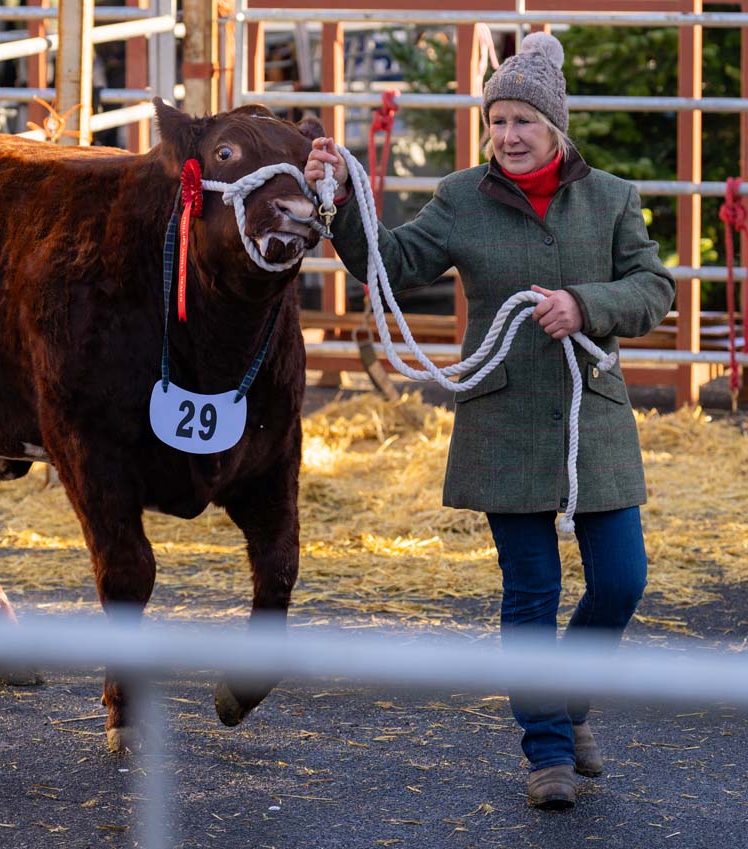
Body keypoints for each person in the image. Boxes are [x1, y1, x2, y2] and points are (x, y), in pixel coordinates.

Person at [305, 32, 675, 811]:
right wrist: (339, 199)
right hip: (502, 422)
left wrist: (588, 303)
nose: (506, 136)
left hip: (591, 418)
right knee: (531, 589)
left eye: (522, 123)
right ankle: (545, 753)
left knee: (621, 579)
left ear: (555, 128)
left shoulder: (611, 198)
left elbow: (653, 288)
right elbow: (390, 264)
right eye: (496, 121)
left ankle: (566, 698)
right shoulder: (460, 198)